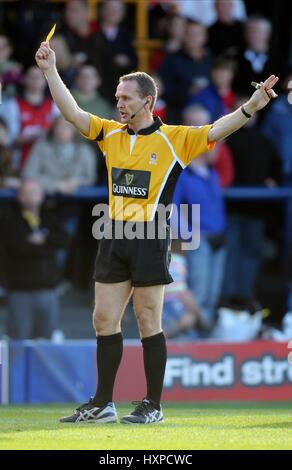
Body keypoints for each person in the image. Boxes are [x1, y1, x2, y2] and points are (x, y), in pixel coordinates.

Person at [35, 37, 278, 424]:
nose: (119, 104)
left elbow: (217, 129)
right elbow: (71, 112)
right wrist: (49, 70)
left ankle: (153, 405)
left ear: (147, 101)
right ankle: (102, 403)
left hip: (150, 238)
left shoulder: (175, 139)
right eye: (117, 97)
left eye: (126, 98)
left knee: (149, 320)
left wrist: (250, 107)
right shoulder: (108, 133)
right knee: (103, 319)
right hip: (114, 235)